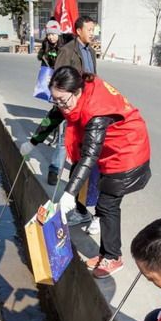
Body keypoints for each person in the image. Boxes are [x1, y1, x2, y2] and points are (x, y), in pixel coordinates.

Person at [20, 67, 151, 279]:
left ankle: (113, 258)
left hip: (127, 151)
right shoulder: (72, 95)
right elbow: (56, 114)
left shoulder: (95, 111)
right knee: (104, 203)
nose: (60, 105)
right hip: (110, 150)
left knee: (107, 205)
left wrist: (69, 194)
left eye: (63, 100)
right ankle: (106, 253)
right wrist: (33, 141)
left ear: (77, 91)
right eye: (55, 99)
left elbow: (88, 156)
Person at [48, 16, 98, 228]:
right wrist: (62, 106)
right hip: (72, 110)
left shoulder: (91, 52)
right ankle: (75, 203)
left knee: (86, 159)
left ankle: (81, 206)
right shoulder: (67, 51)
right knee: (73, 152)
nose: (92, 33)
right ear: (78, 31)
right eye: (89, 29)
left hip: (88, 110)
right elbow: (58, 81)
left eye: (93, 30)